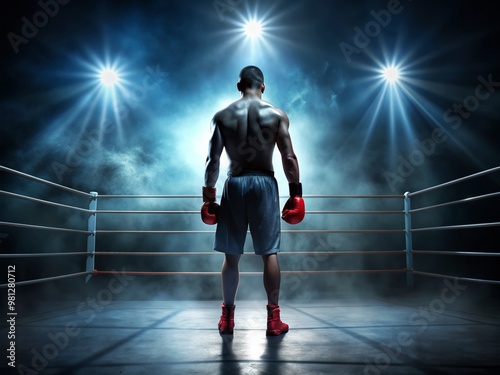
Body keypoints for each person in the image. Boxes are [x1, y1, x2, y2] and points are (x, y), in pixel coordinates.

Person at [201, 66, 305, 336]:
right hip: (264, 183)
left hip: (235, 183)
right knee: (269, 253)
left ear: (239, 86)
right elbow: (289, 158)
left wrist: (208, 196)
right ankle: (273, 320)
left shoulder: (222, 116)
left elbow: (212, 160)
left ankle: (227, 319)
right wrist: (296, 193)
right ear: (263, 86)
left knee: (231, 256)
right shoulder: (276, 115)